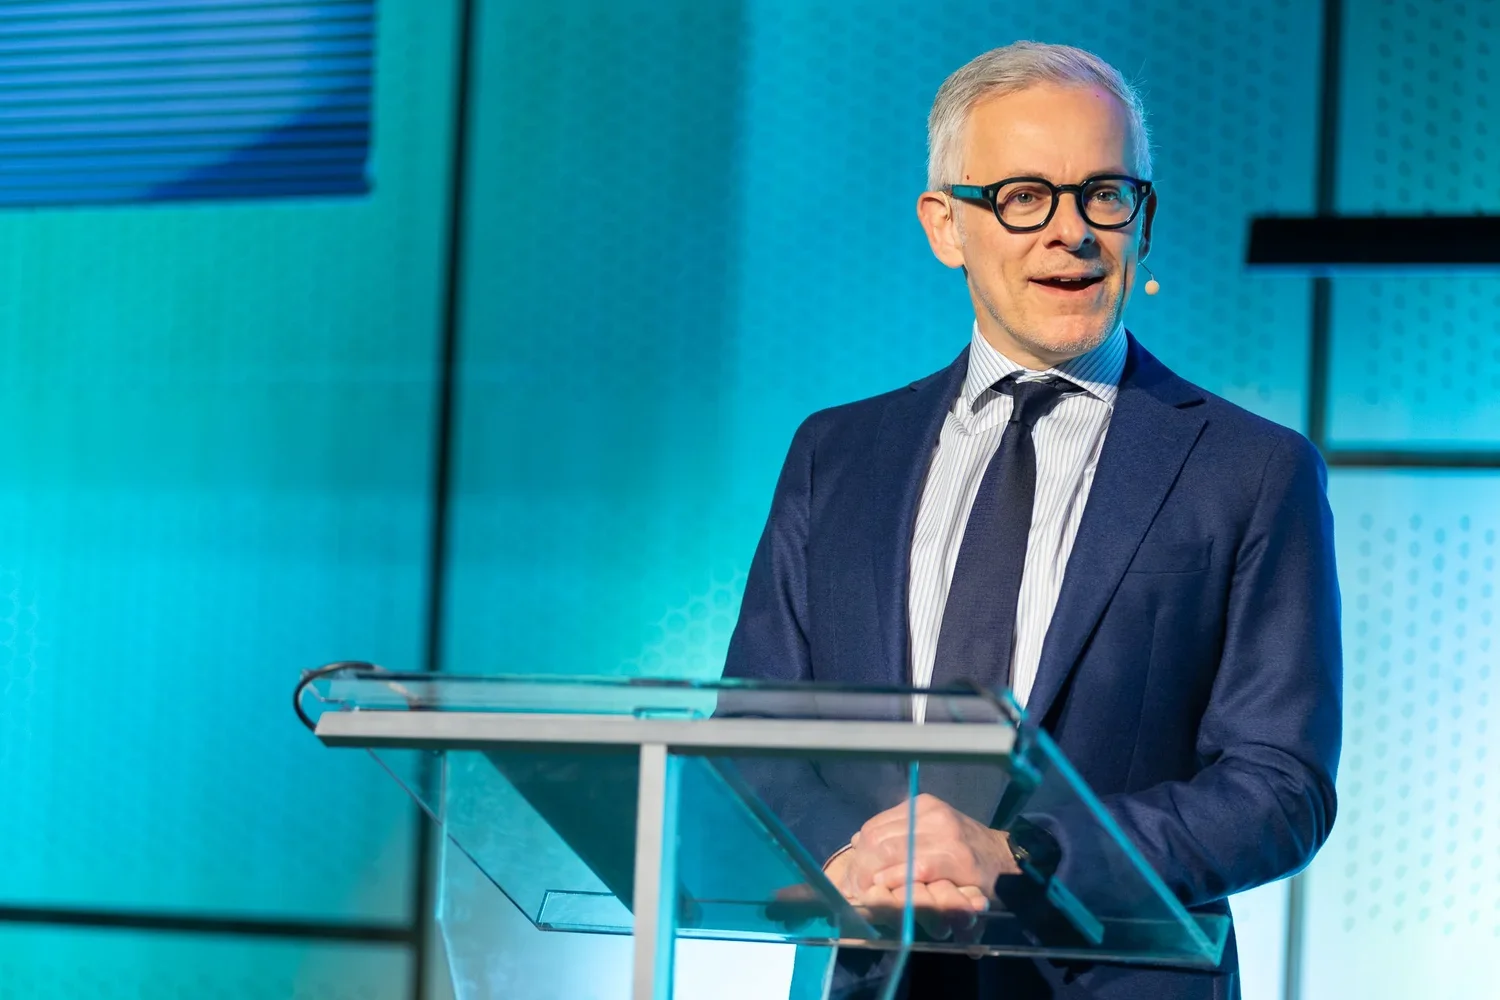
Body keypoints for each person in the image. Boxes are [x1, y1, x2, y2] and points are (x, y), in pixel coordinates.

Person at [722, 41, 1341, 1000]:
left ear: (1145, 222)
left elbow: (1279, 789)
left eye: (1104, 194)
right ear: (946, 226)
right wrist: (854, 856)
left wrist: (1025, 855)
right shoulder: (834, 457)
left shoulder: (1251, 470)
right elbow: (752, 735)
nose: (1073, 232)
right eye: (1023, 196)